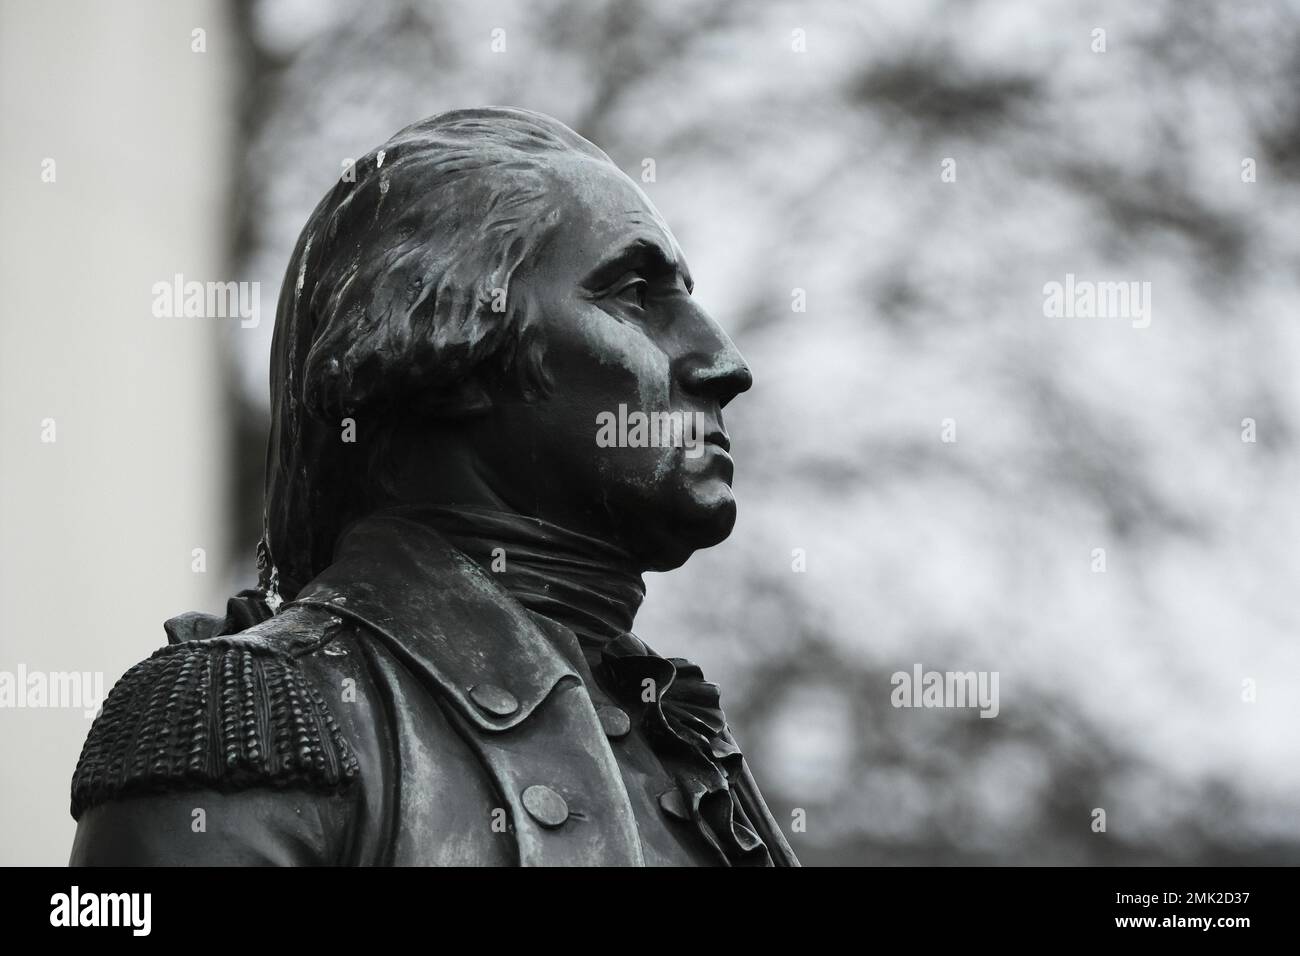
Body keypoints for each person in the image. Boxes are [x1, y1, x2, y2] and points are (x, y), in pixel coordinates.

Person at [69, 107, 798, 866]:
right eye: (632, 293)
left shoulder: (684, 748)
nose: (723, 361)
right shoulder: (241, 721)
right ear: (443, 343)